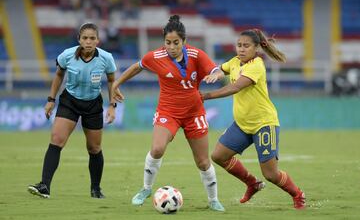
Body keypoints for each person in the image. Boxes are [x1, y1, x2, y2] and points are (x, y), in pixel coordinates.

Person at [111, 15, 225, 212]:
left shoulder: (196, 55)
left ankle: (213, 200)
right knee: (157, 149)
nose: (171, 47)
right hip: (168, 111)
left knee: (203, 161)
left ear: (184, 41)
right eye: (168, 42)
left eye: (176, 43)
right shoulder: (155, 57)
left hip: (194, 112)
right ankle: (146, 189)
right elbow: (136, 68)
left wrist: (216, 74)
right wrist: (116, 83)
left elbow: (217, 70)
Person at [201, 29, 306, 209]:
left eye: (246, 46)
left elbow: (235, 87)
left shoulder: (256, 65)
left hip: (264, 124)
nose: (241, 49)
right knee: (219, 156)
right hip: (243, 125)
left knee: (271, 174)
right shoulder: (235, 62)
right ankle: (252, 183)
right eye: (239, 45)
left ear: (256, 48)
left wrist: (205, 96)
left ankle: (298, 194)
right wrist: (216, 74)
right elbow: (222, 69)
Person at [27, 22, 117, 199]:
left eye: (92, 38)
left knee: (94, 148)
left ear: (98, 40)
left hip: (93, 105)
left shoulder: (106, 58)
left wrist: (112, 106)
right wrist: (51, 100)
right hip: (70, 101)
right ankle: (45, 185)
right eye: (85, 38)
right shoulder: (67, 55)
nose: (88, 42)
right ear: (79, 39)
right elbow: (59, 75)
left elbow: (112, 81)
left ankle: (96, 189)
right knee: (56, 139)